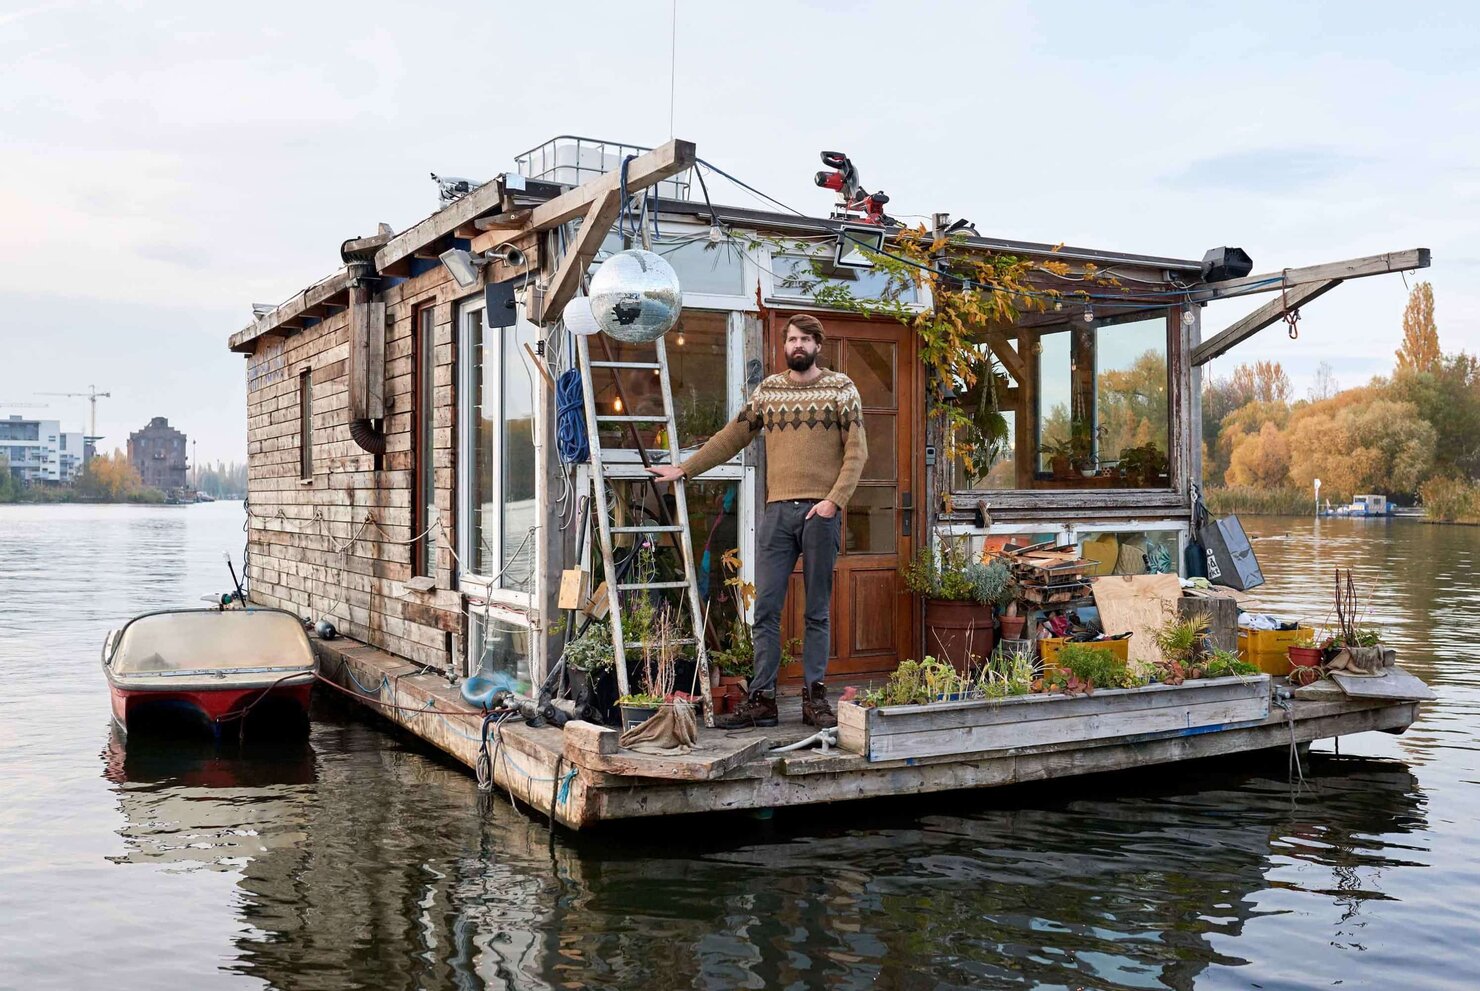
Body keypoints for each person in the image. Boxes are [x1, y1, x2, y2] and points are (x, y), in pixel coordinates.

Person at [648, 314, 867, 728]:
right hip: (777, 513)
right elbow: (732, 436)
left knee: (817, 611)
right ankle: (763, 699)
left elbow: (856, 452)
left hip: (820, 513)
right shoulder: (769, 391)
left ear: (818, 345)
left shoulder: (841, 389)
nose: (797, 345)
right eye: (792, 339)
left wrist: (833, 502)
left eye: (805, 339)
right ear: (784, 346)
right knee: (765, 609)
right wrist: (685, 469)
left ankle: (815, 699)